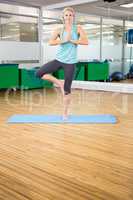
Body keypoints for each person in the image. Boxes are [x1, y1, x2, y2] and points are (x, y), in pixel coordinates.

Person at [36, 7, 88, 120]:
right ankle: (59, 83)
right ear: (63, 17)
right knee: (39, 73)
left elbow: (85, 41)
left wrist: (74, 41)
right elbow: (50, 42)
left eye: (70, 15)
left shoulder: (78, 28)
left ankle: (65, 113)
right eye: (66, 15)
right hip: (59, 59)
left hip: (71, 62)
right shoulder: (59, 30)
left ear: (73, 17)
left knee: (67, 89)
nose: (68, 17)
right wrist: (63, 40)